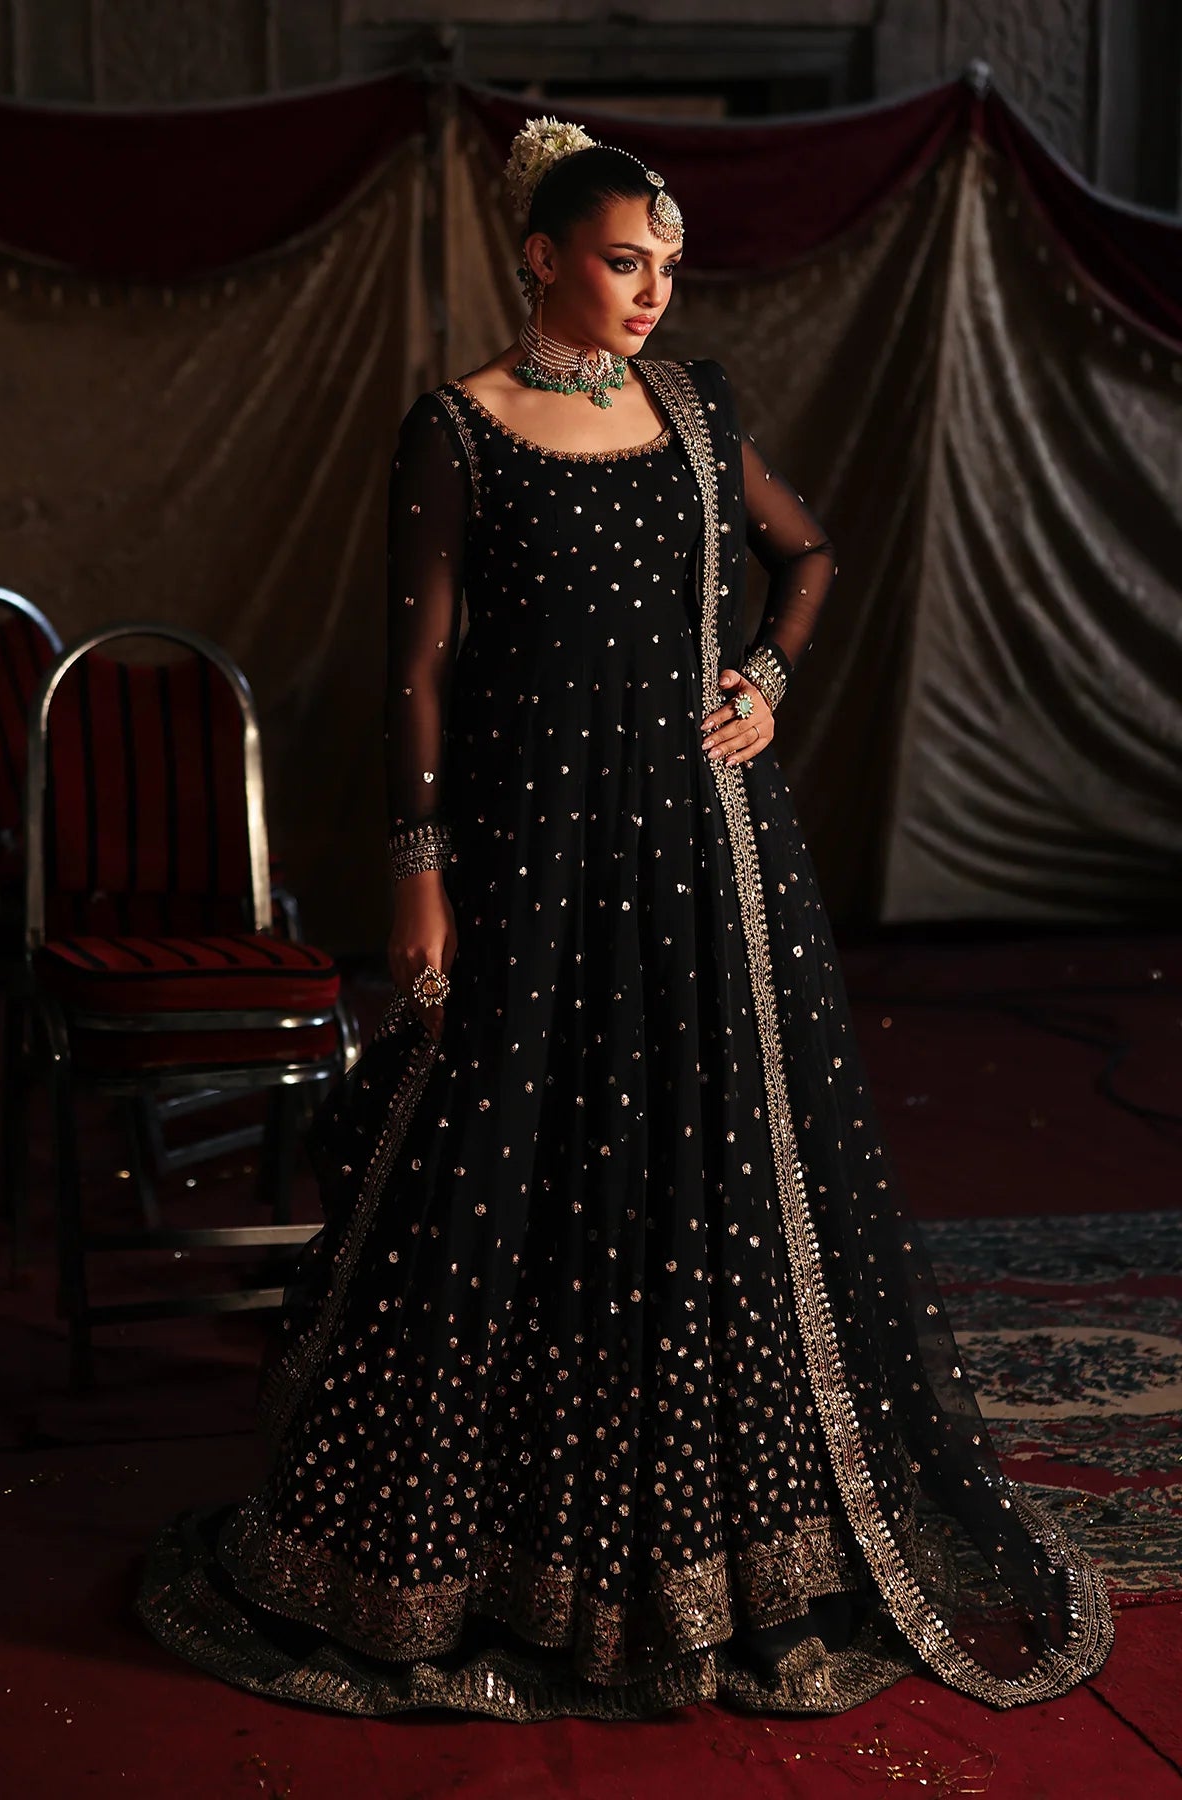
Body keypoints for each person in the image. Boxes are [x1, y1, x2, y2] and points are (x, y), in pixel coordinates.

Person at [135, 114, 1113, 1720]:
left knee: (707, 1165)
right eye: (622, 261)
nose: (653, 291)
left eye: (667, 265)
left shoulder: (695, 407)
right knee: (516, 1161)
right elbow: (417, 672)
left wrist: (767, 680)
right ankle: (491, 1545)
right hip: (529, 853)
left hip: (703, 855)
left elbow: (809, 553)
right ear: (542, 258)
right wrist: (417, 872)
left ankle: (722, 1545)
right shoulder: (456, 431)